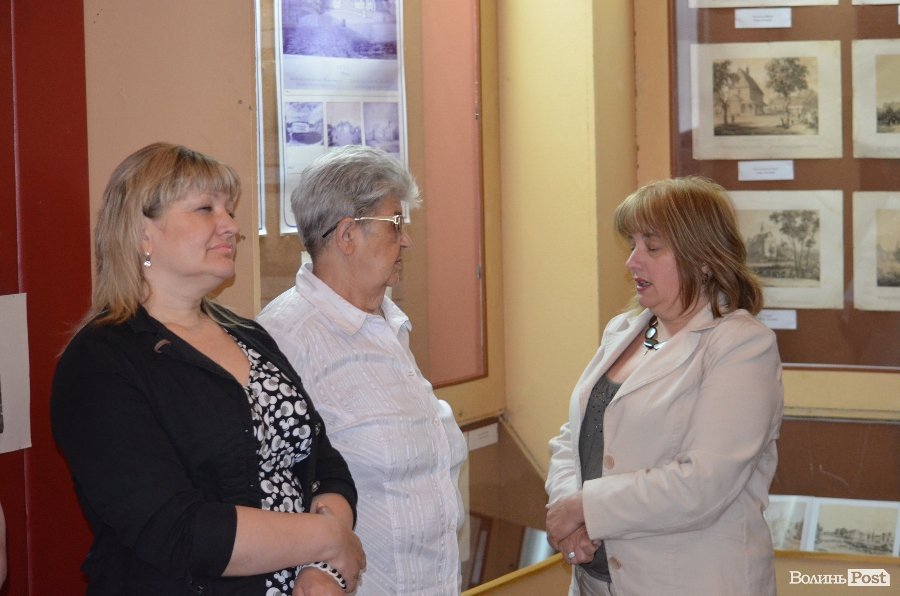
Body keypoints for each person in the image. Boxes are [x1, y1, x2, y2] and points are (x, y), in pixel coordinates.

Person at [51, 142, 364, 595]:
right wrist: (329, 539)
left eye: (229, 210)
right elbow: (177, 531)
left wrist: (322, 569)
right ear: (142, 233)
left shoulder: (248, 335)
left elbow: (323, 463)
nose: (231, 226)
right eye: (205, 209)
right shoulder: (101, 362)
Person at [545, 176, 783, 596]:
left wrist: (585, 507)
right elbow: (575, 434)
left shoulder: (741, 345)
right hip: (596, 581)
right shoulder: (623, 330)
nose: (632, 262)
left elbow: (703, 483)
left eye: (652, 247)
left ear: (703, 258)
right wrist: (568, 512)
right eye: (632, 244)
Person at [257, 145, 467, 595]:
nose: (406, 240)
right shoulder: (284, 340)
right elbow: (273, 497)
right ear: (348, 235)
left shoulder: (389, 324)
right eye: (396, 223)